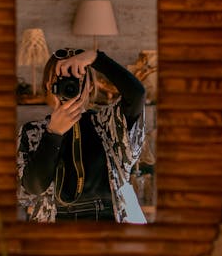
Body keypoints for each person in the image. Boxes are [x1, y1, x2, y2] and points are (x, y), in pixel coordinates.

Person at [17, 48, 147, 223]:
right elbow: (34, 188)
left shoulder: (107, 123)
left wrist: (96, 57)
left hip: (114, 217)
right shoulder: (32, 132)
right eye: (61, 80)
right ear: (49, 86)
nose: (70, 85)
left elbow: (137, 94)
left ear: (91, 85)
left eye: (77, 79)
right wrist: (53, 133)